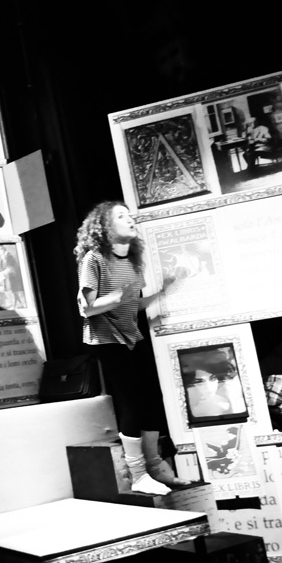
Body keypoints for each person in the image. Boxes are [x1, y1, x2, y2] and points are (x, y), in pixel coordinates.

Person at [74, 201, 192, 495]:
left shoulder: (131, 262)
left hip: (132, 335)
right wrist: (118, 296)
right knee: (131, 402)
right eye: (121, 215)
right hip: (107, 339)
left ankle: (155, 466)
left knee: (152, 397)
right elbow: (86, 308)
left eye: (129, 214)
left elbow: (132, 303)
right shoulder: (93, 259)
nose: (130, 219)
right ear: (104, 226)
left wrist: (163, 290)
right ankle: (138, 473)